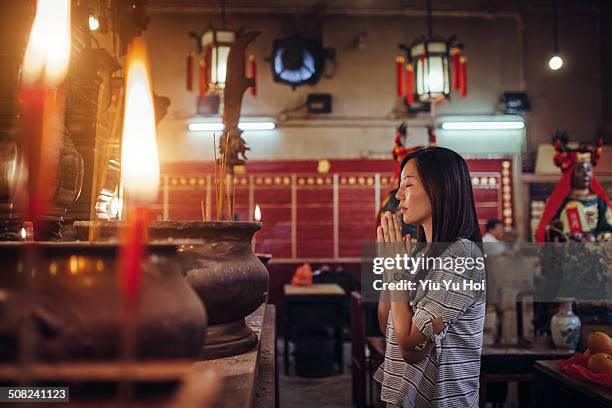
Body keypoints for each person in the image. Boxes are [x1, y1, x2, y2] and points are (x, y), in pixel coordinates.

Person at [374, 147, 486, 407]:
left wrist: (396, 271)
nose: (398, 195)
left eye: (408, 185)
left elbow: (412, 348)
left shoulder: (462, 256)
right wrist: (392, 267)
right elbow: (387, 324)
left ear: (439, 190)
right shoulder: (420, 251)